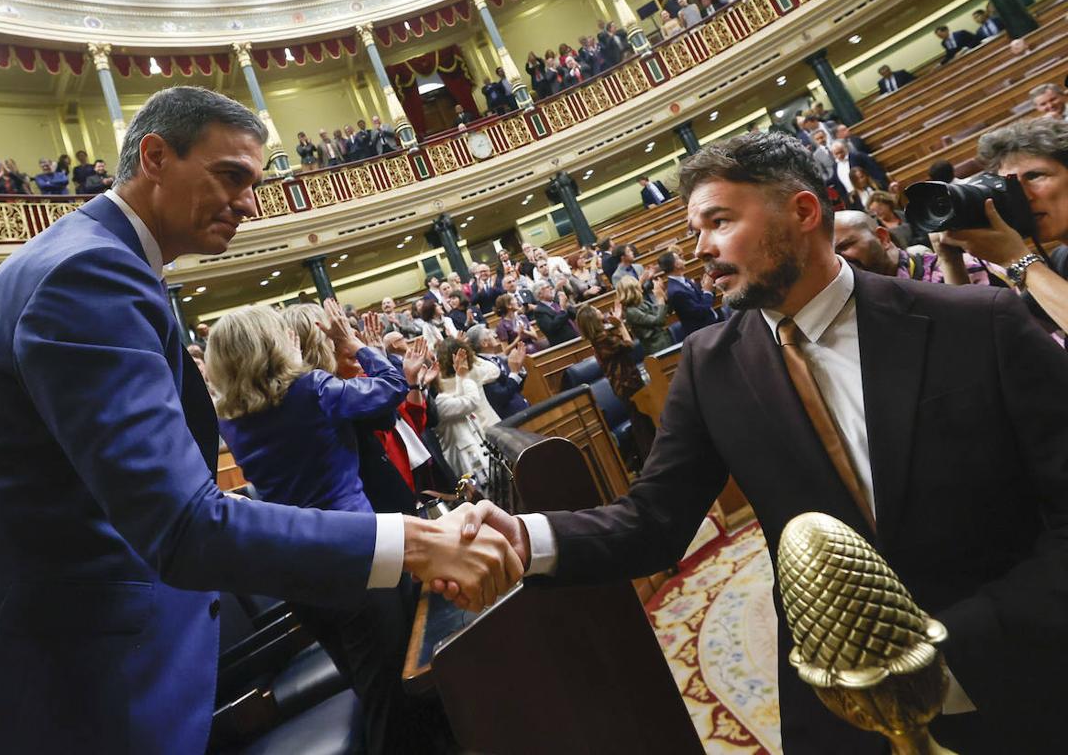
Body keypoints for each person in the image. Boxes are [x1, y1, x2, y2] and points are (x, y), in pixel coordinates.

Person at [0, 86, 520, 755]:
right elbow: (182, 524)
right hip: (53, 685)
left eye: (254, 182)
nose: (250, 201)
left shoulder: (96, 262)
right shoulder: (87, 273)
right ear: (156, 158)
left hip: (70, 658)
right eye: (231, 175)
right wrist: (418, 543)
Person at [448, 131, 1068, 755]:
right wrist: (526, 538)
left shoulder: (977, 321)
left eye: (719, 221)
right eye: (696, 230)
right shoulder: (708, 363)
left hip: (1013, 670)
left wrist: (971, 637)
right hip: (836, 703)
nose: (701, 250)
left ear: (802, 212)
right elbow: (654, 521)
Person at [208, 301, 439, 755]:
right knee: (391, 696)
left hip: (297, 569)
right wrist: (354, 346)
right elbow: (392, 386)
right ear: (272, 342)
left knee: (366, 685)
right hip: (359, 554)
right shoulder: (312, 389)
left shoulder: (229, 418)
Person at [936, 118, 1068, 335]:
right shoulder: (1062, 259)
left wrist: (1019, 260)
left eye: (1034, 176)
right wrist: (950, 261)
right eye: (1011, 186)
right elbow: (989, 338)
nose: (1021, 197)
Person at [574, 303, 656, 460]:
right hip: (627, 384)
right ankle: (652, 458)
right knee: (641, 423)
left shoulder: (601, 336)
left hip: (627, 382)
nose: (599, 310)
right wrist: (620, 325)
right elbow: (629, 345)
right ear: (592, 318)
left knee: (643, 420)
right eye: (596, 310)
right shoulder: (602, 339)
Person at [833, 211, 995, 286]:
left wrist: (953, 267)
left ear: (882, 238)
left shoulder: (961, 267)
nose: (840, 259)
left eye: (845, 246)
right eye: (832, 255)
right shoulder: (861, 307)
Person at [432, 337, 500, 479]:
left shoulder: (442, 383)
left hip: (476, 431)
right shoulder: (471, 372)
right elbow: (495, 370)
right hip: (486, 425)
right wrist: (473, 357)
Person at [465, 325, 528, 419]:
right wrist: (514, 372)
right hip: (511, 418)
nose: (494, 335)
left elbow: (516, 387)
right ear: (484, 343)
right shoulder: (481, 367)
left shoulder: (499, 358)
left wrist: (519, 369)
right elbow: (500, 397)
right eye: (489, 333)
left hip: (523, 408)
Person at [658, 247, 721, 338]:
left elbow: (702, 301)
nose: (682, 259)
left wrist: (707, 289)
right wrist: (707, 291)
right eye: (679, 258)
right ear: (675, 264)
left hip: (712, 325)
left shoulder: (683, 280)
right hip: (704, 333)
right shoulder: (676, 291)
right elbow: (700, 312)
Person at [615, 275, 673, 353]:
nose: (641, 288)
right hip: (656, 347)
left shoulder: (642, 303)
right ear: (633, 290)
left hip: (665, 340)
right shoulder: (631, 312)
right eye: (637, 286)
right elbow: (659, 321)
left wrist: (663, 295)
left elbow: (665, 312)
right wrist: (660, 299)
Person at [529, 280, 578, 346]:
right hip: (564, 345)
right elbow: (552, 327)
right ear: (540, 294)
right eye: (547, 287)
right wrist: (563, 309)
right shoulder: (539, 311)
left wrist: (567, 304)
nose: (551, 288)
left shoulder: (557, 302)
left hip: (576, 337)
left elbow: (575, 315)